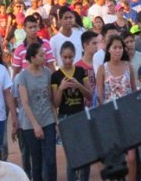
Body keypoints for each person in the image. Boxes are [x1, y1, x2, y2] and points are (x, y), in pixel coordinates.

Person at [96, 35, 137, 181]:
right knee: (113, 158)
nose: (118, 51)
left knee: (131, 158)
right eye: (114, 47)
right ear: (108, 50)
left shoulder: (128, 67)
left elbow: (133, 91)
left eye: (120, 47)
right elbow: (100, 97)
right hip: (109, 119)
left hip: (127, 117)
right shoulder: (102, 69)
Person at [16, 42, 57, 181]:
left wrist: (55, 119)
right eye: (41, 55)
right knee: (36, 161)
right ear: (32, 58)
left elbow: (51, 97)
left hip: (48, 119)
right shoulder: (22, 77)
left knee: (51, 159)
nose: (44, 57)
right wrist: (35, 125)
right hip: (30, 124)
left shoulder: (47, 72)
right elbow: (24, 103)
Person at [51, 41, 92, 181]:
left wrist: (78, 85)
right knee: (72, 155)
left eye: (70, 57)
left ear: (74, 56)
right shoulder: (56, 76)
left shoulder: (80, 71)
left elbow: (89, 95)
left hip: (80, 115)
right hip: (65, 117)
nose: (67, 60)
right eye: (65, 57)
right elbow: (55, 103)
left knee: (86, 152)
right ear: (60, 56)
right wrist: (61, 88)